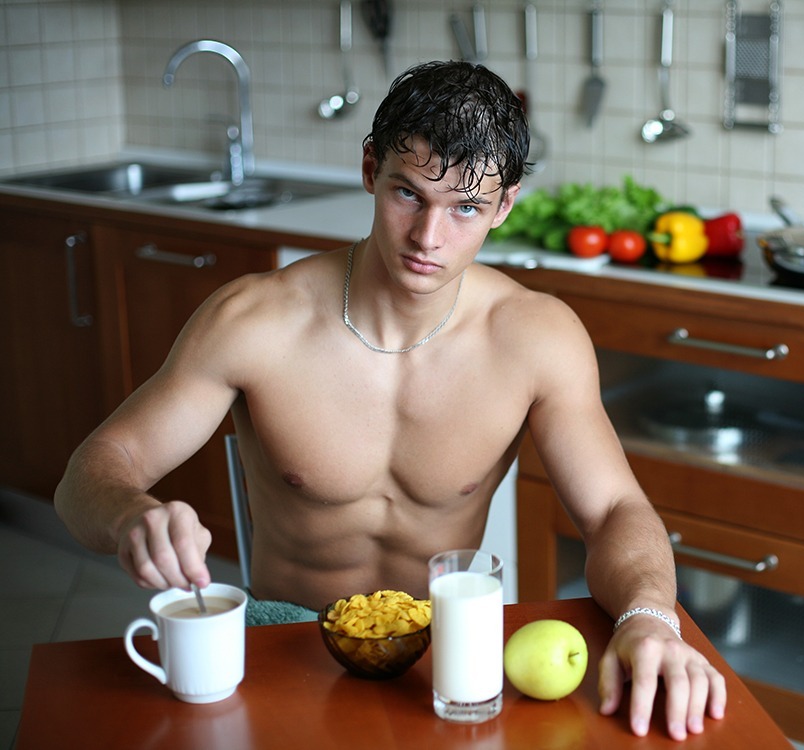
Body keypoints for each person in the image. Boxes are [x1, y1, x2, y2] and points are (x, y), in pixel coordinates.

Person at [54, 60, 725, 740]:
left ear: (505, 205)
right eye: (409, 194)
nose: (427, 239)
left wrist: (648, 618)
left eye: (465, 208)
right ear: (371, 168)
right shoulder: (256, 320)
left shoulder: (534, 338)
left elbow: (614, 509)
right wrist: (130, 513)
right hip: (290, 644)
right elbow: (95, 471)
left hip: (448, 655)